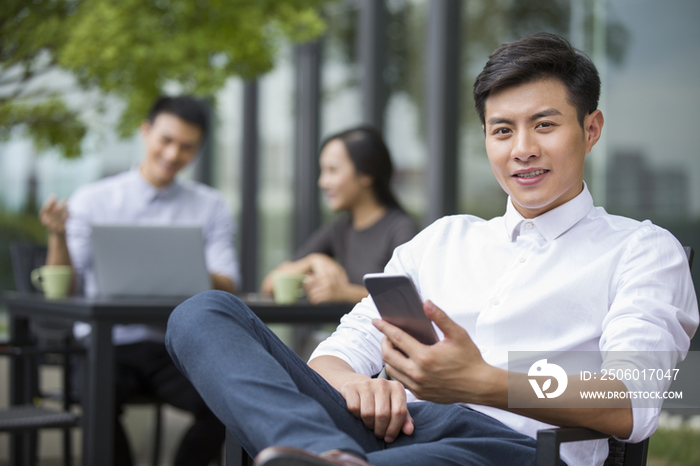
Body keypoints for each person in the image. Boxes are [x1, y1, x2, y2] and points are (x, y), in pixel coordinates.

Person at [164, 33, 699, 466]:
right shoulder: (445, 239)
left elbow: (633, 398)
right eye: (502, 130)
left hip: (508, 449)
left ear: (591, 129)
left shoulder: (642, 250)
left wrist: (486, 383)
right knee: (203, 312)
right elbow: (339, 351)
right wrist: (356, 383)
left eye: (544, 125)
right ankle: (319, 451)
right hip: (385, 429)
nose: (523, 150)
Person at [39, 95, 238, 466]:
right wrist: (57, 237)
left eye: (187, 146)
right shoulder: (93, 199)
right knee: (97, 395)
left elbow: (229, 285)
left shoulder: (210, 205)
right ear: (146, 133)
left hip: (176, 347)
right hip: (106, 346)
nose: (173, 153)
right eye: (166, 140)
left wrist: (188, 265)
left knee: (230, 399)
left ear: (198, 150)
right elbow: (65, 288)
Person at [261, 126, 418, 304]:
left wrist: (345, 293)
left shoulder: (400, 228)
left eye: (333, 170)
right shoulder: (339, 229)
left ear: (366, 174)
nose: (323, 182)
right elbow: (269, 285)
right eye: (323, 171)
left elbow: (409, 300)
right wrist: (313, 260)